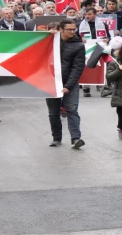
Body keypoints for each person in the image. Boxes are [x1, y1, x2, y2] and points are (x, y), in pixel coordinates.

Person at [45, 19, 86, 148]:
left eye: (74, 29)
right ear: (61, 29)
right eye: (69, 29)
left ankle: (76, 139)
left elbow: (77, 68)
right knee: (53, 112)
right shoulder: (50, 41)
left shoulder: (78, 46)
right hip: (51, 82)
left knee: (72, 109)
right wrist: (47, 36)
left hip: (70, 82)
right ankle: (56, 138)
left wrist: (68, 86)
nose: (72, 32)